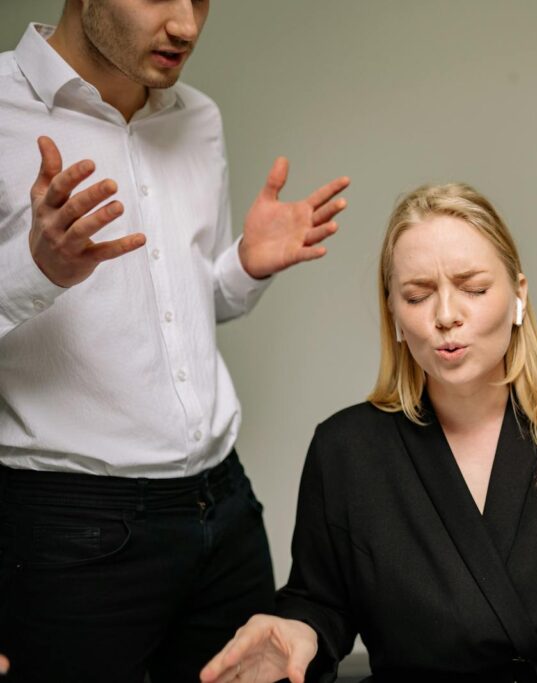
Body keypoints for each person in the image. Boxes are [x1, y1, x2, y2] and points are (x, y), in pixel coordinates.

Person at [199, 183, 537, 683]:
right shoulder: (346, 450)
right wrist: (301, 630)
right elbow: (320, 601)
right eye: (416, 296)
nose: (445, 317)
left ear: (519, 295)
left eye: (474, 289)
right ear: (393, 312)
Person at [0, 1, 349, 681]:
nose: (186, 25)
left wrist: (243, 267)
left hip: (222, 507)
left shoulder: (199, 119)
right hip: (70, 528)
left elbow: (176, 315)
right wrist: (36, 267)